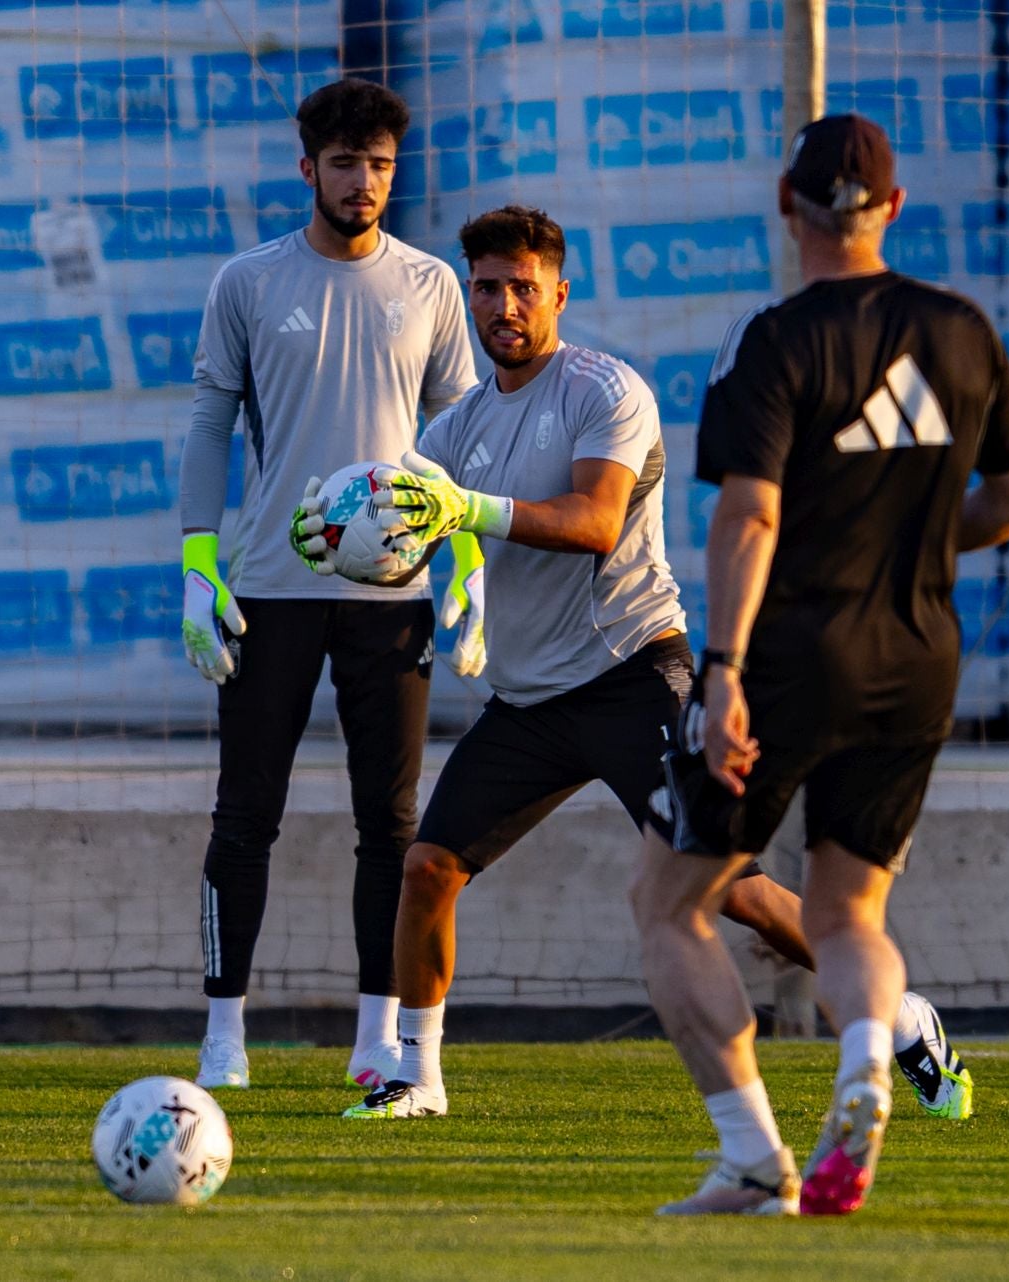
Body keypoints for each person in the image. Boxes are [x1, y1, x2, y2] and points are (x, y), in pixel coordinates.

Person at [298, 205, 813, 1120]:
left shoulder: (606, 390)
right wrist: (341, 533)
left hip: (630, 672)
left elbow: (594, 522)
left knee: (733, 888)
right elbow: (414, 526)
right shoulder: (454, 430)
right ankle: (417, 1078)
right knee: (427, 869)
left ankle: (899, 1015)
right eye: (487, 288)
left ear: (559, 294)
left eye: (523, 288)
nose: (504, 305)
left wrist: (466, 514)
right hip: (531, 701)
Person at [631, 114, 1009, 1216]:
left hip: (793, 659)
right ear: (896, 207)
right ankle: (869, 1059)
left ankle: (752, 1156)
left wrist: (721, 672)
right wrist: (911, 541)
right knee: (847, 914)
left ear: (787, 203)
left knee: (674, 901)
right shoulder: (966, 330)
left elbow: (750, 520)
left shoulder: (771, 341)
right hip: (919, 659)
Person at [176, 77, 481, 1093]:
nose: (364, 182)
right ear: (307, 168)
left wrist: (467, 565)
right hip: (269, 586)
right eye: (345, 164)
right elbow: (210, 426)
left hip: (392, 596)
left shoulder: (432, 285)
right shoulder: (249, 284)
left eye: (381, 164)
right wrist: (196, 566)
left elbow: (460, 440)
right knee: (243, 816)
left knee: (390, 825)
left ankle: (377, 1033)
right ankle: (224, 1035)